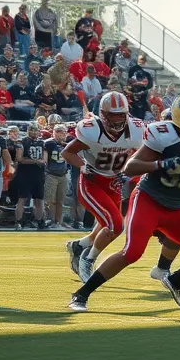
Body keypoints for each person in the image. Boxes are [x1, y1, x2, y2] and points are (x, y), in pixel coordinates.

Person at [69, 94, 180, 311]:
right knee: (132, 253)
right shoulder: (165, 135)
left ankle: (176, 281)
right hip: (148, 201)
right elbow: (131, 167)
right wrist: (161, 164)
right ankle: (81, 294)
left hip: (177, 207)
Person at [62, 91, 146, 281]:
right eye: (113, 115)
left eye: (120, 115)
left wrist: (129, 168)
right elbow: (68, 153)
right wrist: (83, 166)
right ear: (103, 114)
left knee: (108, 224)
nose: (117, 120)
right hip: (93, 182)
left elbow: (144, 153)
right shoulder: (92, 130)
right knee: (116, 225)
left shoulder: (137, 130)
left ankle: (80, 245)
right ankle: (88, 258)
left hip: (115, 182)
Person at [14, 122, 47, 230]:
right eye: (31, 130)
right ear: (28, 131)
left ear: (39, 131)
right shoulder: (22, 142)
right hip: (24, 174)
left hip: (38, 174)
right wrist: (35, 161)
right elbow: (19, 159)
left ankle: (40, 222)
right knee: (22, 199)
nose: (33, 132)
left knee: (39, 200)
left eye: (36, 130)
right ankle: (18, 222)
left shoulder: (43, 143)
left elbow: (44, 160)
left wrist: (35, 161)